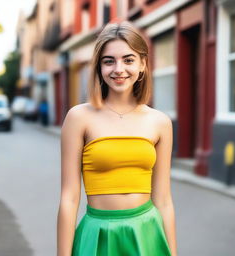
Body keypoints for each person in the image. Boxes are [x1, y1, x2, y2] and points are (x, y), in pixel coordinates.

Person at [57, 20, 177, 256]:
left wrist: (172, 252)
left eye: (128, 59)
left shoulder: (160, 122)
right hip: (98, 234)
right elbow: (69, 198)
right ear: (99, 68)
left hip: (147, 233)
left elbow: (163, 200)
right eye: (108, 61)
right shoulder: (78, 117)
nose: (118, 69)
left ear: (143, 64)